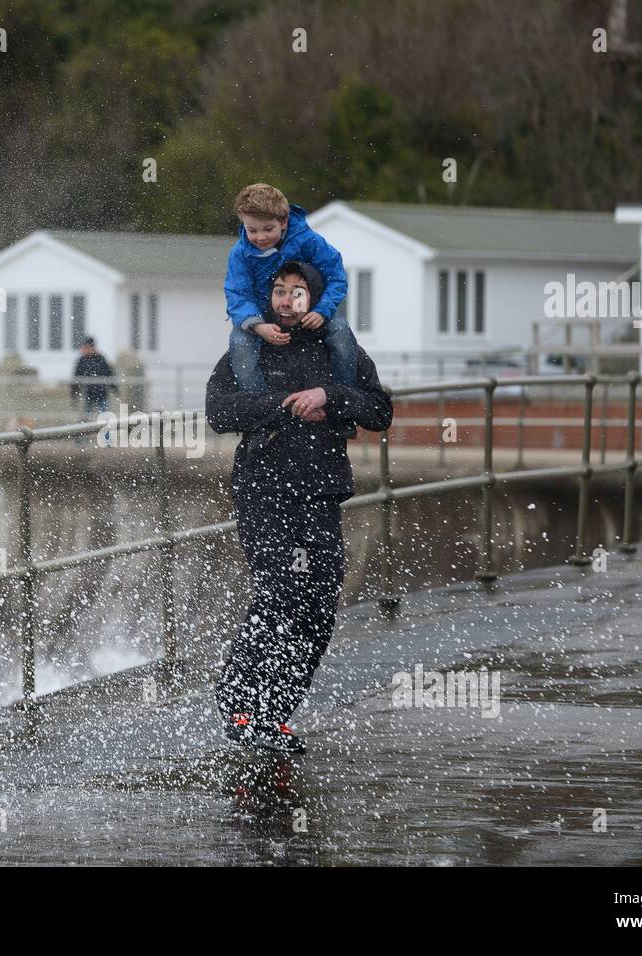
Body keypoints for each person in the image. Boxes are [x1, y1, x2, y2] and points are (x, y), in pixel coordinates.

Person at [205, 259, 393, 753]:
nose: (287, 301)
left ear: (315, 298)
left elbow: (380, 410)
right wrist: (285, 401)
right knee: (281, 590)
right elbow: (219, 412)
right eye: (279, 291)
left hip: (322, 491)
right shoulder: (250, 349)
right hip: (262, 489)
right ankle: (238, 702)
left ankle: (274, 714)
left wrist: (329, 396)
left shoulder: (339, 349)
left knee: (319, 603)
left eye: (298, 292)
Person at [225, 183, 357, 396]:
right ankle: (261, 403)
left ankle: (344, 395)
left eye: (268, 229)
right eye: (252, 230)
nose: (260, 237)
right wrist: (258, 326)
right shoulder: (239, 254)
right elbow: (237, 293)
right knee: (239, 341)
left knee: (341, 330)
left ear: (283, 221)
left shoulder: (308, 241)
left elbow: (336, 276)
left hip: (309, 313)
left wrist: (323, 310)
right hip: (262, 317)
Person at [70, 336, 117, 416]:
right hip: (89, 394)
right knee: (86, 417)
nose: (84, 350)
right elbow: (76, 378)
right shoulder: (82, 361)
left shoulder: (100, 359)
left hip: (101, 394)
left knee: (105, 416)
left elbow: (109, 374)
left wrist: (115, 388)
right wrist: (74, 394)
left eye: (86, 347)